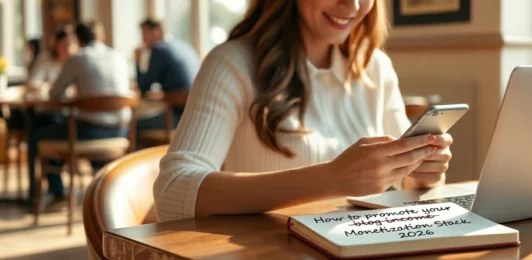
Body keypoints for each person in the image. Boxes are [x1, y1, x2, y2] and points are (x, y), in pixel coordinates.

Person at [153, 0, 454, 221]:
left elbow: (404, 186)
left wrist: (421, 172)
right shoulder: (232, 64)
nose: (353, 4)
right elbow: (173, 190)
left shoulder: (376, 68)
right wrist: (329, 178)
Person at [36, 21, 133, 208]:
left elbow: (54, 94)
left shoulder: (77, 59)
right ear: (102, 37)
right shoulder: (118, 56)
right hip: (122, 132)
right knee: (72, 127)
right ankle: (102, 190)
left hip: (89, 134)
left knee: (40, 134)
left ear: (78, 39)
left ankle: (55, 193)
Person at [135, 18, 200, 132]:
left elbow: (143, 87)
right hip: (195, 116)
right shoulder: (184, 46)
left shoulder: (159, 50)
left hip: (178, 118)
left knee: (135, 126)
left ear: (155, 32)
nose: (142, 40)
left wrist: (138, 61)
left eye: (144, 34)